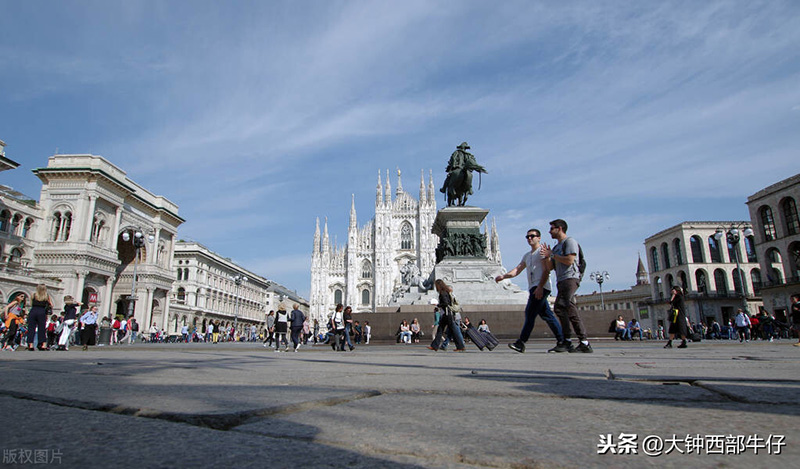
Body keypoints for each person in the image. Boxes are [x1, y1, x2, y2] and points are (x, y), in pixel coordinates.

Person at [497, 228, 567, 353]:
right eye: (527, 236)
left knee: (530, 314)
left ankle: (521, 342)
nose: (530, 238)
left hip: (540, 286)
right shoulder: (527, 255)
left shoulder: (542, 251)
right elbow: (517, 269)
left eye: (532, 236)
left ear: (539, 238)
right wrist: (504, 276)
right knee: (547, 315)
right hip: (534, 287)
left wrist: (540, 287)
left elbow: (547, 270)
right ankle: (563, 341)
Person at [541, 219, 591, 353]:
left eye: (552, 228)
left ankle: (582, 342)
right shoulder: (557, 247)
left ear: (560, 228)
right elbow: (551, 267)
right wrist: (547, 256)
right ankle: (569, 341)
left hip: (571, 277)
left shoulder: (570, 242)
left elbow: (570, 260)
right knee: (561, 309)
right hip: (561, 279)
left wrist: (552, 254)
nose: (549, 231)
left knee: (567, 306)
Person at [428, 279, 465, 352]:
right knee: (440, 330)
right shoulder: (446, 292)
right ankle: (435, 346)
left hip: (448, 314)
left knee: (453, 330)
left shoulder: (442, 293)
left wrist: (438, 305)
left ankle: (460, 346)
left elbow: (446, 303)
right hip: (446, 314)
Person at [27, 284, 53, 351]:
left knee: (31, 328)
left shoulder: (34, 295)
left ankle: (31, 344)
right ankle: (43, 344)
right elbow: (51, 305)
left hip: (33, 311)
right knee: (42, 328)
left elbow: (31, 303)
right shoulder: (46, 296)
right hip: (42, 311)